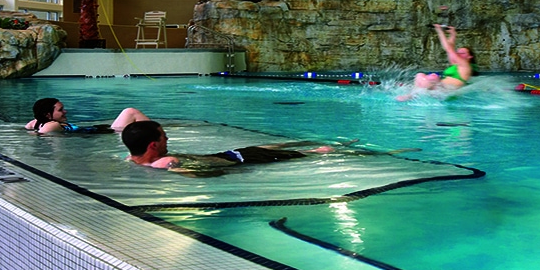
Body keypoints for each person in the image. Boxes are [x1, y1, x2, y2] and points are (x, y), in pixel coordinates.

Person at [120, 120, 350, 174]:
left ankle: (341, 146)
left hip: (234, 156)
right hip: (242, 158)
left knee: (280, 146)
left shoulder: (131, 159)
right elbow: (201, 174)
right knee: (312, 153)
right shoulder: (167, 162)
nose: (167, 140)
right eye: (164, 138)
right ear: (152, 145)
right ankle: (348, 148)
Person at [398, 23, 477, 100]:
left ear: (470, 57)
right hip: (441, 86)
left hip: (447, 90)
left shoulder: (465, 65)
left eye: (462, 53)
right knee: (420, 75)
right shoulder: (457, 65)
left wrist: (439, 30)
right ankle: (412, 92)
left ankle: (411, 95)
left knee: (431, 77)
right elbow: (450, 48)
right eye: (458, 52)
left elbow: (449, 49)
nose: (459, 54)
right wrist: (453, 34)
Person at [25, 97, 150, 134]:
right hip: (108, 134)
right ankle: (158, 132)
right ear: (48, 115)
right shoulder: (52, 125)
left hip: (97, 129)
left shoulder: (35, 122)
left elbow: (31, 129)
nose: (65, 112)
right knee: (130, 112)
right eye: (61, 110)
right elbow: (44, 133)